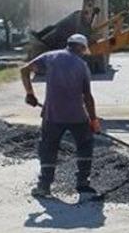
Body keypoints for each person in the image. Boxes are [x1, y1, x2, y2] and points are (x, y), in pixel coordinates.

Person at [20, 33, 101, 198]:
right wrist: (93, 120)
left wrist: (30, 93)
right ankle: (82, 182)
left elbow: (24, 70)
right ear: (81, 47)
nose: (83, 53)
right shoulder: (82, 65)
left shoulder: (50, 57)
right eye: (83, 50)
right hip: (77, 116)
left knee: (48, 148)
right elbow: (87, 96)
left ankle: (44, 186)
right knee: (85, 145)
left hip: (52, 115)